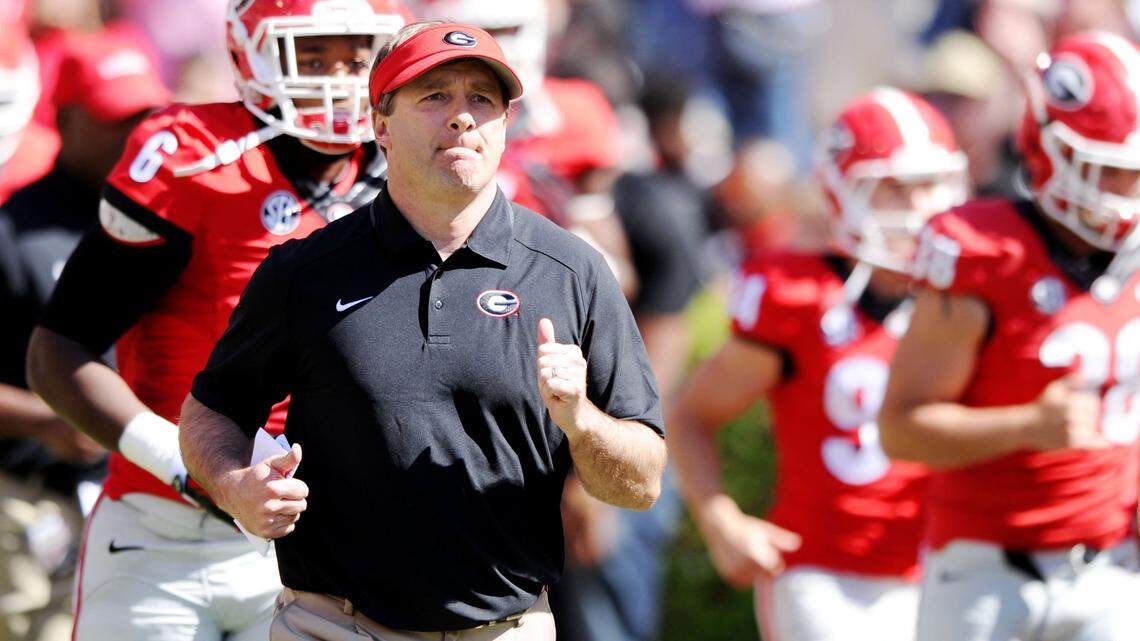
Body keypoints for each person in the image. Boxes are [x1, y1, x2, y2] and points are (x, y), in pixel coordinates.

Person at [177, 21, 667, 641]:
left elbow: (641, 482)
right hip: (330, 625)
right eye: (434, 96)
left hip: (506, 629)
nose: (461, 117)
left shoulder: (573, 272)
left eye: (481, 100)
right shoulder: (303, 271)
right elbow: (211, 411)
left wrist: (580, 421)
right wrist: (231, 486)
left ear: (505, 125)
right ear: (379, 124)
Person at [24, 2, 409, 639]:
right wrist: (188, 466)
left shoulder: (405, 169)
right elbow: (58, 350)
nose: (340, 77)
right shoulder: (192, 158)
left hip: (322, 549)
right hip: (162, 534)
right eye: (313, 55)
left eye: (357, 53)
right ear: (250, 53)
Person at [669, 87, 970, 641]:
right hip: (828, 577)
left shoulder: (975, 289)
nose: (921, 209)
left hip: (949, 568)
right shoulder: (799, 298)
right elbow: (690, 415)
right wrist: (720, 520)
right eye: (894, 190)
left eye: (930, 186)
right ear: (840, 195)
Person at [879, 31, 1140, 641]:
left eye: (1133, 172)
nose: (1123, 193)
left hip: (1114, 570)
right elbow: (901, 427)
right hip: (984, 576)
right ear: (1045, 147)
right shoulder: (982, 251)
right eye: (1104, 170)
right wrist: (1026, 426)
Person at [0, 28, 168, 641]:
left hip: (152, 494)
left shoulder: (172, 216)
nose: (136, 134)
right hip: (31, 499)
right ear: (66, 118)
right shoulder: (13, 231)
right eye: (116, 117)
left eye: (147, 114)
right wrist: (50, 421)